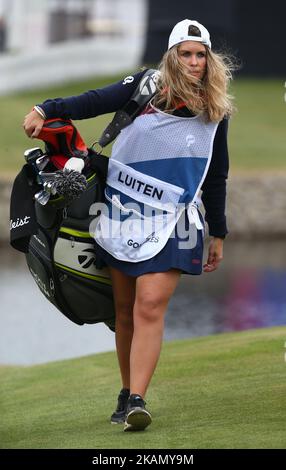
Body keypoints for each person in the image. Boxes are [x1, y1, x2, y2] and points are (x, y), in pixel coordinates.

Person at [23, 19, 235, 432]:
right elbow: (93, 100)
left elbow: (216, 173)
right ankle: (125, 392)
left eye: (201, 55)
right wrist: (46, 108)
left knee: (149, 304)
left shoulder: (216, 107)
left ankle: (138, 398)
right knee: (123, 312)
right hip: (121, 211)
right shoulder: (145, 87)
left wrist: (219, 231)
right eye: (186, 54)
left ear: (210, 61)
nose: (194, 63)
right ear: (172, 56)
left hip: (175, 216)